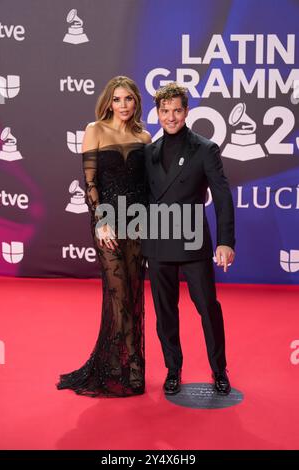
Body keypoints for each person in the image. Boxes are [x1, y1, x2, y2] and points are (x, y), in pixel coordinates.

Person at [57, 76, 151, 397]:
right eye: (117, 99)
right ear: (108, 102)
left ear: (136, 102)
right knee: (119, 293)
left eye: (129, 99)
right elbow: (91, 184)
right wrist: (101, 221)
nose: (123, 105)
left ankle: (134, 365)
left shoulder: (145, 136)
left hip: (138, 223)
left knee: (136, 294)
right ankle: (114, 363)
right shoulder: (94, 130)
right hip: (107, 223)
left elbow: (147, 186)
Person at [142, 82, 235, 396]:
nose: (171, 117)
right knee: (165, 310)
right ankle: (173, 368)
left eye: (177, 110)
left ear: (186, 111)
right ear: (157, 113)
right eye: (165, 111)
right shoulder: (149, 153)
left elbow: (222, 196)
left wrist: (226, 241)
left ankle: (219, 369)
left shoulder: (205, 148)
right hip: (157, 241)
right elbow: (142, 198)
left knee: (208, 307)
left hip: (193, 239)